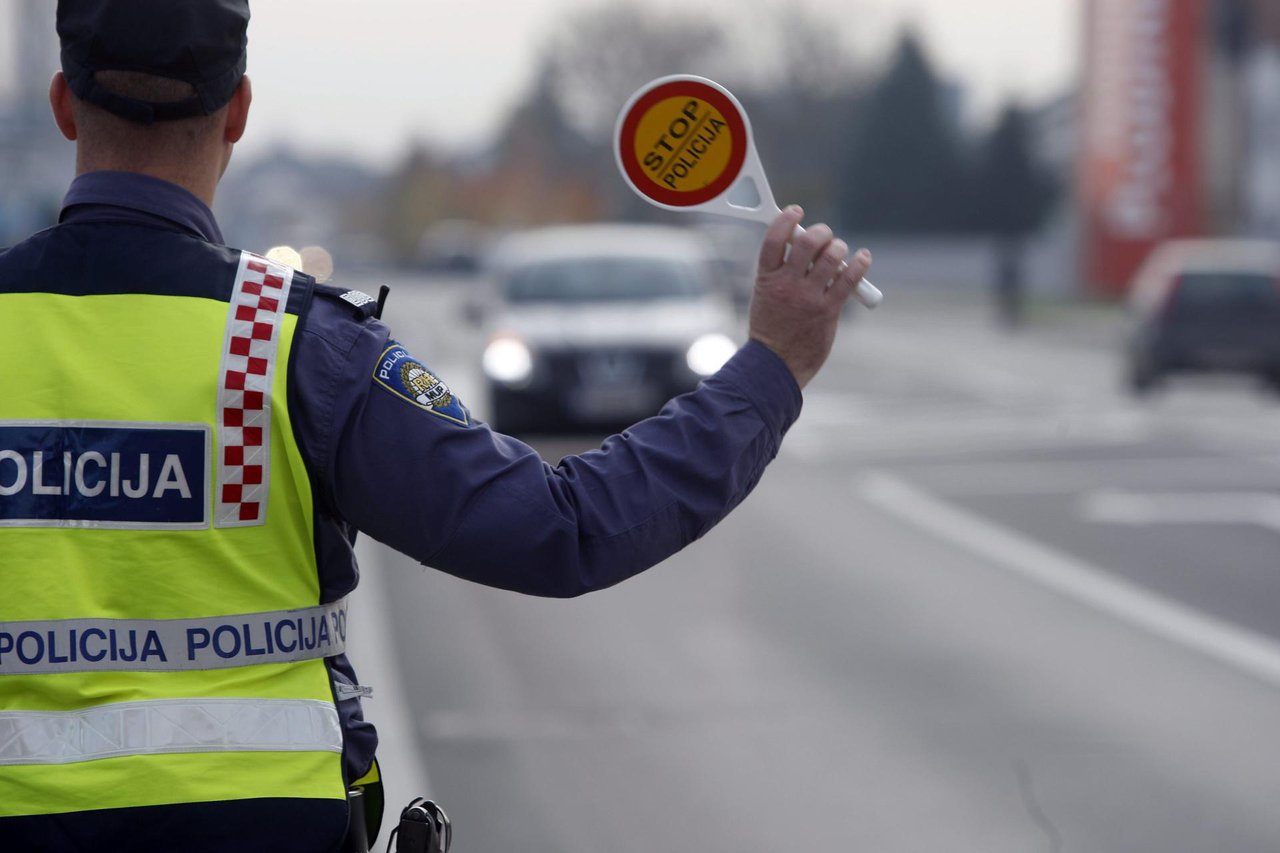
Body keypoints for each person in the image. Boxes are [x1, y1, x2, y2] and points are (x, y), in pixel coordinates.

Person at [0, 1, 872, 851]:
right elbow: (562, 529)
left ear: (63, 102)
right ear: (238, 111)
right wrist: (770, 366)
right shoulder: (290, 343)